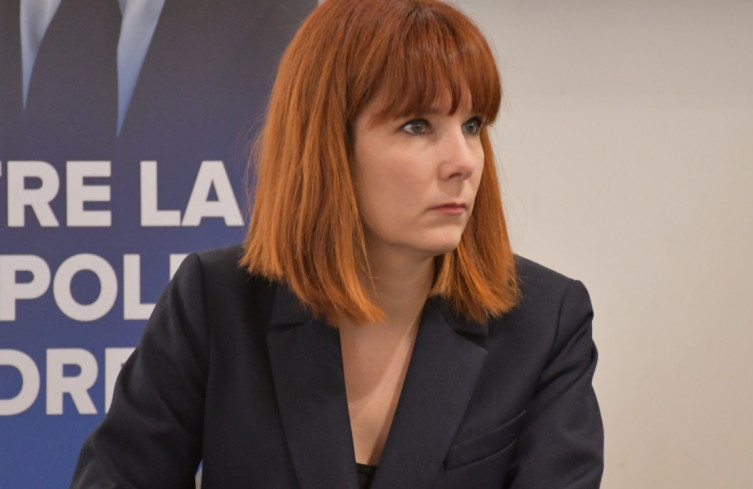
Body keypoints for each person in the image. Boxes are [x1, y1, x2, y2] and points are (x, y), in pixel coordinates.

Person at [68, 0, 604, 488]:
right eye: (417, 126)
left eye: (472, 125)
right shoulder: (215, 301)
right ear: (328, 144)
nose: (463, 161)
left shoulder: (545, 321)